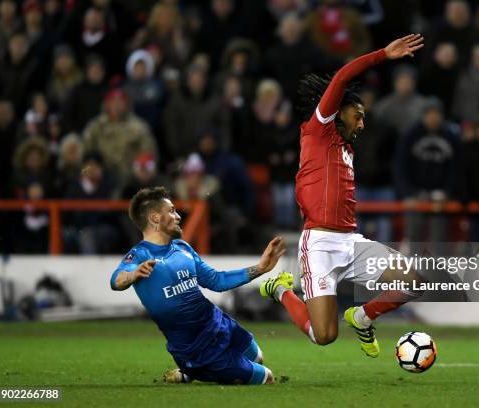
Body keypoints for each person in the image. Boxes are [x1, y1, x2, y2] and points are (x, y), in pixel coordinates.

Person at [260, 34, 426, 358]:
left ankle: (362, 317)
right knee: (324, 336)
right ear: (340, 111)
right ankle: (280, 288)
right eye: (358, 115)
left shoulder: (346, 149)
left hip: (350, 242)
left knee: (414, 281)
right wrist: (383, 54)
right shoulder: (319, 128)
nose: (362, 123)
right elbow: (341, 77)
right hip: (320, 244)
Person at [110, 187, 285, 385]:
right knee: (267, 377)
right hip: (198, 350)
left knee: (258, 357)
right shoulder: (140, 255)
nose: (177, 216)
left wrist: (260, 269)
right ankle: (191, 370)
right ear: (155, 217)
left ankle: (187, 374)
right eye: (172, 211)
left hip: (220, 324)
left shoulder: (183, 248)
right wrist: (132, 275)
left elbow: (216, 281)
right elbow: (116, 280)